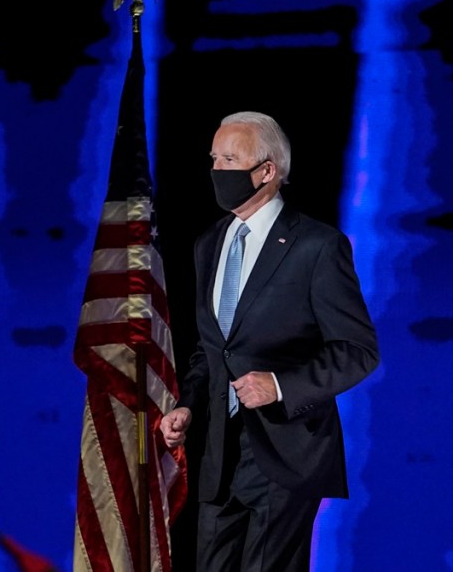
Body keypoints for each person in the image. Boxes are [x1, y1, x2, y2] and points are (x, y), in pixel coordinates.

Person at [159, 111, 380, 571]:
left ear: (266, 171)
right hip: (220, 456)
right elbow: (212, 348)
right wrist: (189, 404)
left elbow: (357, 351)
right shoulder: (209, 243)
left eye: (230, 159)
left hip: (286, 452)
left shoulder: (317, 246)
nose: (218, 170)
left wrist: (279, 385)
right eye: (214, 158)